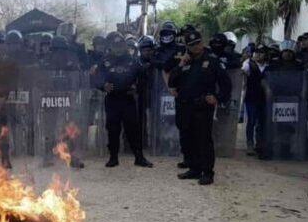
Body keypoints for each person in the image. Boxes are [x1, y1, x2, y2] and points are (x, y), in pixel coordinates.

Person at [168, 30, 231, 185]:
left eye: (197, 43)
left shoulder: (212, 60)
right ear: (187, 47)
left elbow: (226, 83)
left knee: (204, 140)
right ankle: (194, 169)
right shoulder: (185, 61)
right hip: (185, 106)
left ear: (202, 42)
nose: (195, 47)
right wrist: (181, 64)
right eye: (191, 45)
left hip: (202, 106)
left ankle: (208, 172)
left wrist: (217, 97)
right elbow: (172, 82)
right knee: (188, 139)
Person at [97, 33, 152, 168]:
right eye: (115, 46)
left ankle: (139, 158)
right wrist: (103, 86)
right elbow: (95, 78)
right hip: (112, 100)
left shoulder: (133, 61)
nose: (118, 49)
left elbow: (144, 78)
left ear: (124, 46)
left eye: (120, 46)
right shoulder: (105, 61)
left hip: (128, 99)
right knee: (113, 129)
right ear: (111, 47)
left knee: (133, 129)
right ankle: (113, 158)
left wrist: (137, 89)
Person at [155, 21, 187, 167]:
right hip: (161, 91)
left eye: (169, 34)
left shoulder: (182, 49)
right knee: (163, 120)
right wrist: (168, 87)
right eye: (164, 34)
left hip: (180, 91)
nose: (166, 36)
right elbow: (160, 67)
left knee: (179, 119)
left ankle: (179, 146)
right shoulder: (157, 50)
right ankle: (164, 145)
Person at [241, 44, 269, 157]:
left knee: (262, 122)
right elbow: (243, 72)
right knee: (251, 121)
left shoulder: (269, 66)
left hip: (265, 98)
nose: (258, 54)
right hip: (251, 97)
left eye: (261, 52)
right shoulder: (249, 64)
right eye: (256, 52)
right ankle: (250, 144)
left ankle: (260, 144)